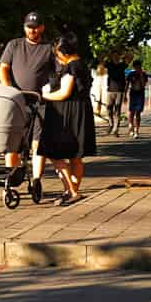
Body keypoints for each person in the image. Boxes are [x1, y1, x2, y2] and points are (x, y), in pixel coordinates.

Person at [0, 11, 55, 194]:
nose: (32, 31)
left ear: (42, 28)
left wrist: (51, 88)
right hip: (16, 102)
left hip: (40, 103)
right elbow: (3, 69)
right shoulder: (14, 45)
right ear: (24, 28)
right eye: (29, 27)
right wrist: (9, 90)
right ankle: (11, 179)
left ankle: (36, 180)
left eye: (36, 27)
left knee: (38, 142)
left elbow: (57, 74)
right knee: (13, 142)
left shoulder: (48, 49)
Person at [39, 32, 96, 205]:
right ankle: (73, 191)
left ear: (63, 52)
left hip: (67, 114)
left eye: (57, 54)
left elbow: (64, 93)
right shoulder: (82, 65)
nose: (57, 58)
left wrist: (45, 95)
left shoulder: (71, 67)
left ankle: (71, 191)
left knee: (54, 153)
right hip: (81, 111)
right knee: (75, 156)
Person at [104, 52, 129, 136]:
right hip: (110, 90)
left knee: (117, 110)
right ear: (111, 57)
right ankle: (111, 124)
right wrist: (107, 54)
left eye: (117, 55)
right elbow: (100, 58)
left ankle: (116, 129)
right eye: (114, 56)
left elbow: (130, 56)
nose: (115, 57)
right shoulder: (109, 64)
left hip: (119, 91)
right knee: (108, 109)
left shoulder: (122, 65)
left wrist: (123, 54)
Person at [125, 59, 149, 138]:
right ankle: (130, 126)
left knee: (138, 113)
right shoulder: (131, 74)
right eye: (136, 67)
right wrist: (125, 95)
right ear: (134, 67)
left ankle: (136, 130)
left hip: (140, 94)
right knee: (131, 112)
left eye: (139, 67)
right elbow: (127, 84)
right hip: (133, 94)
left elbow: (143, 85)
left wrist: (141, 75)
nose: (137, 68)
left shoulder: (144, 74)